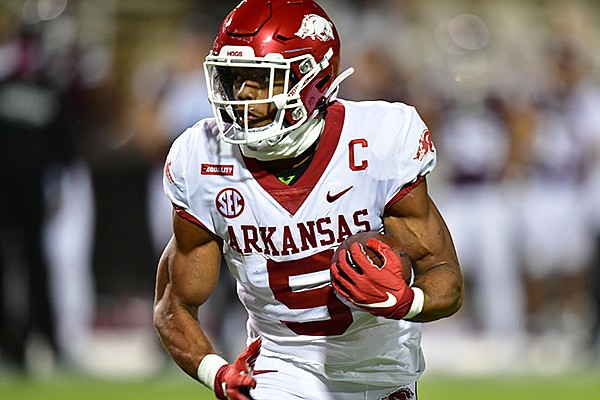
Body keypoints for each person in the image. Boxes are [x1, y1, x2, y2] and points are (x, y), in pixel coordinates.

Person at [153, 1, 463, 399]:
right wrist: (216, 371)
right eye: (235, 78)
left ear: (314, 80)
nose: (242, 93)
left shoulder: (379, 142)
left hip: (383, 370)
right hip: (281, 368)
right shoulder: (205, 158)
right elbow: (172, 304)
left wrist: (406, 301)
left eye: (262, 79)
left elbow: (445, 276)